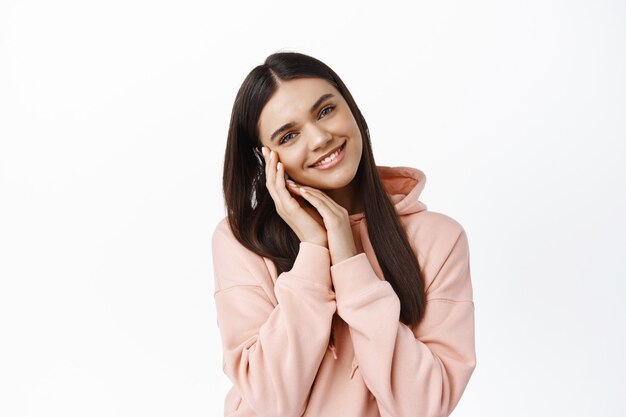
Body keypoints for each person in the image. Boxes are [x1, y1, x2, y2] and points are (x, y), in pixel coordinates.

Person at [211, 51, 476, 417]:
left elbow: (424, 408)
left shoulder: (439, 239)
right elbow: (271, 402)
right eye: (289, 136)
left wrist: (350, 260)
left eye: (325, 111)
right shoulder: (242, 241)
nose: (320, 138)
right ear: (266, 158)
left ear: (351, 108)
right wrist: (313, 250)